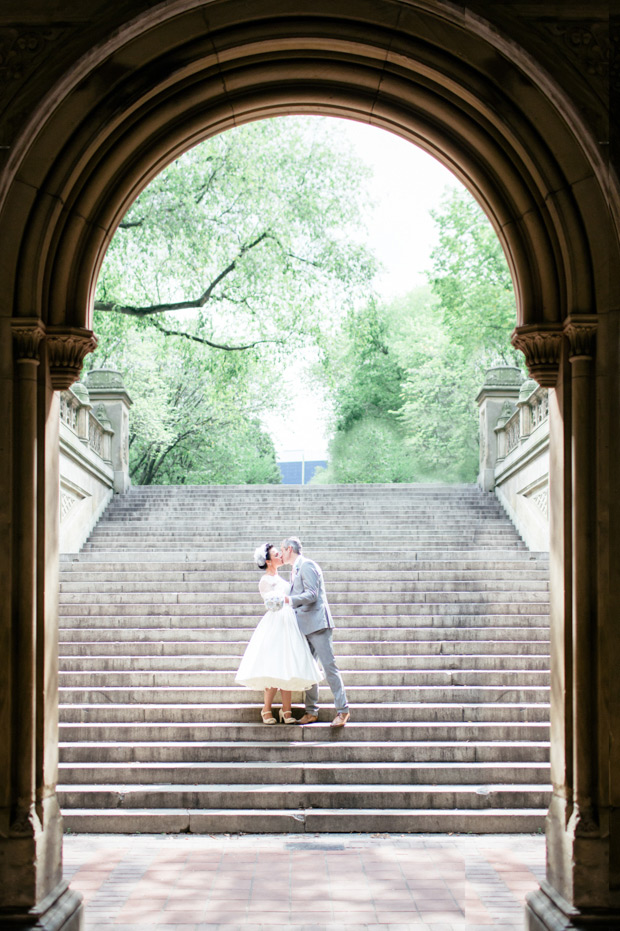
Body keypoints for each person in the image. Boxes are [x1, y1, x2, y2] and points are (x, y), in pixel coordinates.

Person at [235, 542, 322, 724]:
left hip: (290, 622)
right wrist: (280, 601)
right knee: (274, 664)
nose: (280, 556)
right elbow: (270, 602)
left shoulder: (284, 579)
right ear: (268, 561)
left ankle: (286, 710)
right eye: (276, 554)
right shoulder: (265, 581)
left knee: (288, 664)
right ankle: (266, 709)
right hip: (276, 622)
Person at [281, 537, 350, 728]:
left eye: (282, 549)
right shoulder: (295, 570)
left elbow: (312, 594)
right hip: (304, 625)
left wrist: (288, 600)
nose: (280, 553)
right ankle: (311, 711)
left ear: (289, 549)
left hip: (318, 624)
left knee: (329, 667)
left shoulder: (307, 565)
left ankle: (343, 710)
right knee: (309, 669)